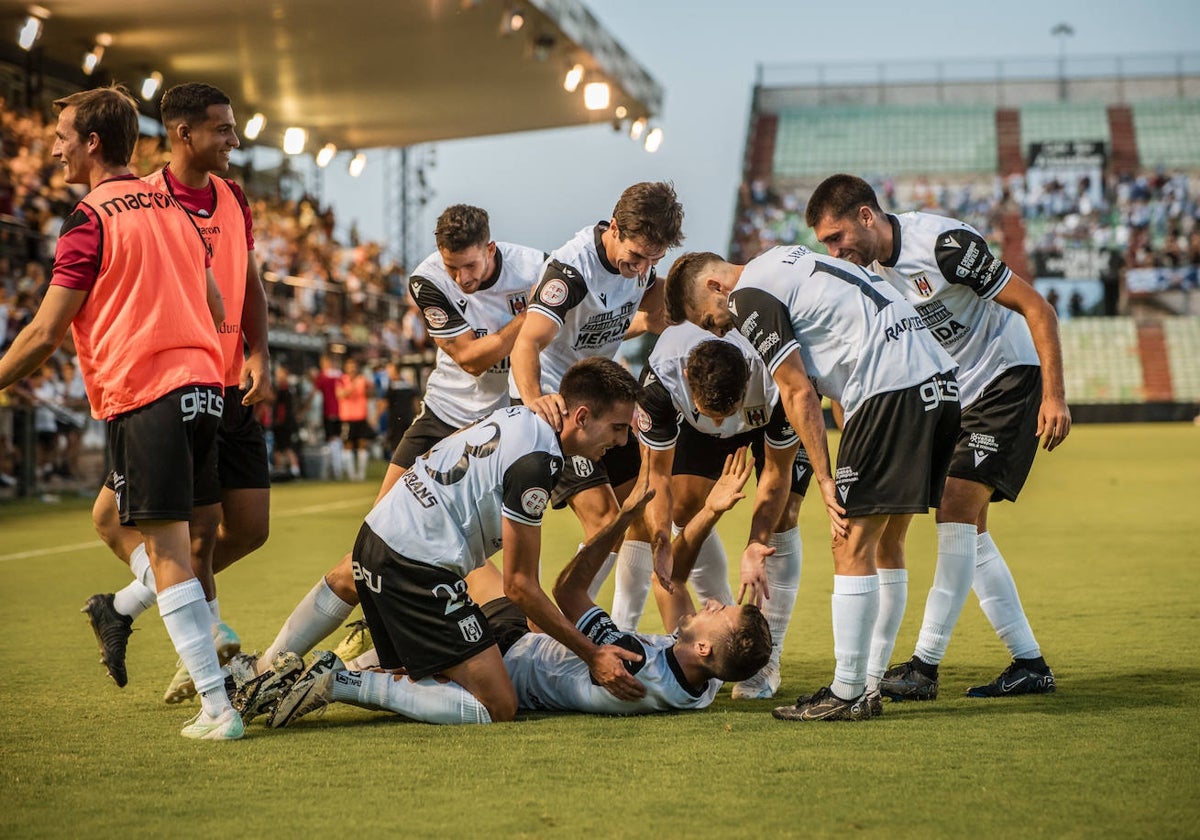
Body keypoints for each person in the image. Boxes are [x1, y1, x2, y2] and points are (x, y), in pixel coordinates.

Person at [0, 85, 240, 739]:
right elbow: (220, 306)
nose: (54, 148)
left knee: (168, 552)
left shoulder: (89, 217)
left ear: (93, 143)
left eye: (63, 138)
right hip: (204, 389)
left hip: (148, 393)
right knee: (123, 521)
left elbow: (46, 332)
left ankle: (219, 708)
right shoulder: (175, 209)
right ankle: (121, 610)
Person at [231, 206, 546, 699]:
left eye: (470, 267)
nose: (461, 278)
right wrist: (531, 318)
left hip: (499, 431)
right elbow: (468, 358)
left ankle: (366, 656)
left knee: (466, 564)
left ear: (491, 249)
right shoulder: (428, 277)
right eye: (453, 265)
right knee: (370, 552)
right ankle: (269, 666)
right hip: (442, 417)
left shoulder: (537, 268)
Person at [266, 357, 647, 727]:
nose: (622, 439)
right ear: (581, 417)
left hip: (377, 540)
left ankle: (274, 666)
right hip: (415, 567)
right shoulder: (538, 462)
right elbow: (519, 586)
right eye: (617, 427)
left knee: (424, 671)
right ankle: (342, 681)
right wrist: (591, 653)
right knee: (498, 703)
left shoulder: (520, 416)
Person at [665, 246, 959, 721]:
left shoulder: (748, 295)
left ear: (715, 287)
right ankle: (868, 684)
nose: (718, 329)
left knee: (848, 544)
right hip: (939, 381)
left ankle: (846, 693)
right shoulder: (785, 260)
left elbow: (797, 389)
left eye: (707, 319)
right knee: (888, 543)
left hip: (889, 387)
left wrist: (824, 476)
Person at [806, 173, 1068, 699]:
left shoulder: (945, 247)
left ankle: (924, 666)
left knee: (954, 508)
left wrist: (1054, 396)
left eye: (837, 238)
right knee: (971, 533)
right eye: (825, 245)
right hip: (956, 395)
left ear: (866, 215)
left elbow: (1038, 307)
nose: (835, 251)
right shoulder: (868, 273)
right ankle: (1030, 662)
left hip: (1006, 375)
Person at [269, 450, 771, 724]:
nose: (712, 601)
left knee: (437, 566)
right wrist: (709, 510)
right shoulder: (701, 686)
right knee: (461, 562)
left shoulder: (634, 662)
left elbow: (569, 593)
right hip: (520, 632)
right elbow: (675, 578)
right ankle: (374, 637)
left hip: (503, 654)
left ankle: (343, 674)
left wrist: (620, 523)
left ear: (704, 646)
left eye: (719, 611)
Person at [83, 82, 273, 704]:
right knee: (188, 535)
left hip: (230, 384)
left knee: (248, 528)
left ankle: (129, 605)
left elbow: (247, 283)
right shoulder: (145, 199)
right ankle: (206, 650)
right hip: (172, 387)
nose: (235, 140)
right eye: (224, 129)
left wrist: (259, 350)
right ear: (184, 133)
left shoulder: (232, 197)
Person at [611, 323, 807, 700]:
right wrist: (660, 539)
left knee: (783, 520)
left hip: (768, 414)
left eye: (726, 414)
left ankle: (768, 660)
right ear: (687, 378)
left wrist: (755, 542)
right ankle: (725, 635)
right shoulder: (661, 383)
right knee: (684, 509)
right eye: (708, 414)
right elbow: (659, 479)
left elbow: (777, 473)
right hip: (709, 409)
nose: (720, 426)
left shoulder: (778, 375)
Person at [509, 181, 684, 597]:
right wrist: (535, 400)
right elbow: (526, 343)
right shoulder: (570, 272)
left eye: (653, 260)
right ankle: (564, 622)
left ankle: (620, 622)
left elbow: (615, 323)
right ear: (615, 228)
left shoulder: (638, 268)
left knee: (640, 513)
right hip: (564, 412)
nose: (643, 268)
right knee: (606, 520)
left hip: (606, 405)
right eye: (638, 256)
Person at [336, 356, 372, 481]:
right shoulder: (341, 380)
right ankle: (351, 475)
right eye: (349, 366)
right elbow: (340, 394)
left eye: (354, 366)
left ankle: (361, 474)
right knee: (348, 445)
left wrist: (370, 387)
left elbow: (371, 394)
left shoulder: (363, 380)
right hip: (347, 417)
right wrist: (353, 385)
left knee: (363, 444)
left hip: (361, 416)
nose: (352, 368)